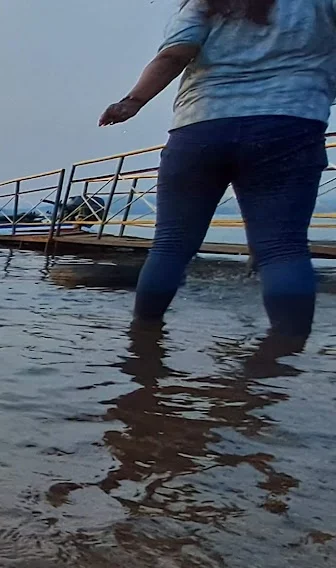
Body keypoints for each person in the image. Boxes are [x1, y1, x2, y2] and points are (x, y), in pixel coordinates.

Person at [100, 0, 333, 337]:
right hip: (288, 123)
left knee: (170, 245)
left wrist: (131, 101)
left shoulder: (208, 1)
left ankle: (141, 351)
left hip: (201, 127)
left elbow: (173, 56)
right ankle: (281, 367)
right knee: (282, 248)